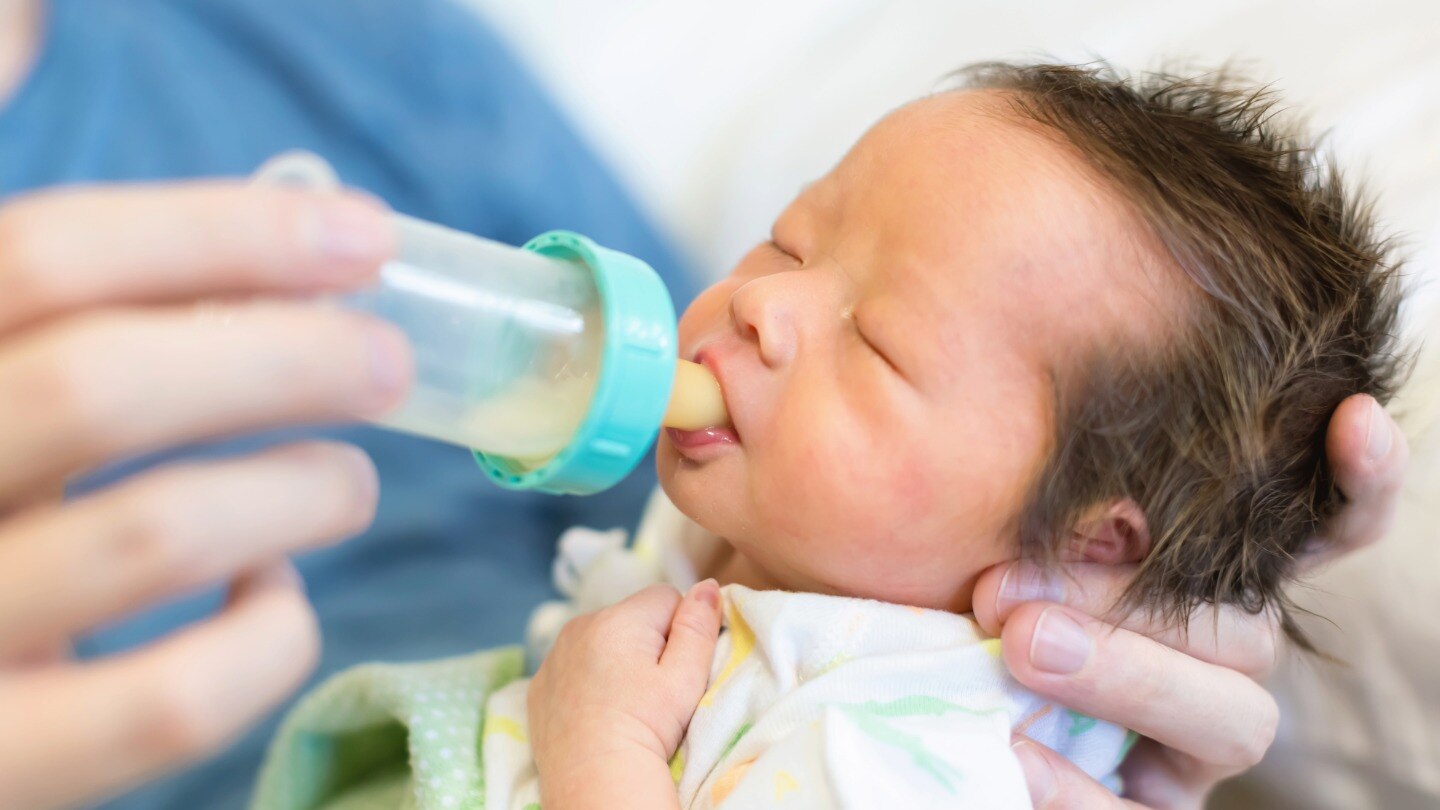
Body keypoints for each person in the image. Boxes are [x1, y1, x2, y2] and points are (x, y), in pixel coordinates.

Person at [0, 2, 1408, 809]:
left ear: (1095, 542)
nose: (754, 305)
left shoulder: (903, 741)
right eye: (789, 241)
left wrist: (599, 748)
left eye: (881, 345)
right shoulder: (778, 557)